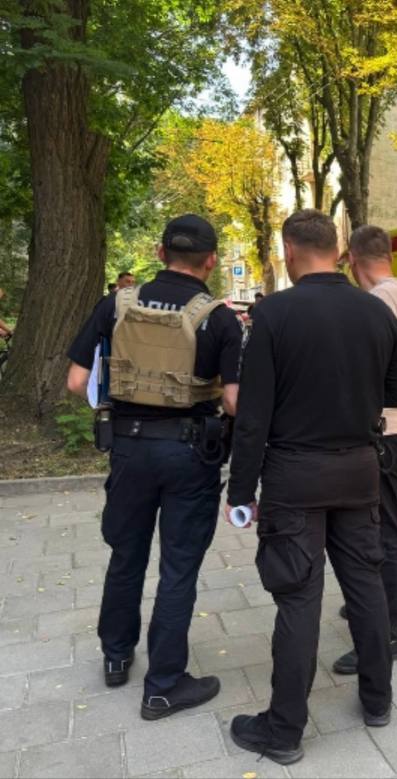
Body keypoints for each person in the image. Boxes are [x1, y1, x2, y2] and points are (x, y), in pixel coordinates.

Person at [225, 209, 397, 765]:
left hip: (295, 476)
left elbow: (253, 415)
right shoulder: (374, 310)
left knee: (298, 597)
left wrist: (240, 491)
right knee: (366, 586)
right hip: (359, 468)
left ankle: (284, 730)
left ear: (289, 251)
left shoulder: (274, 313)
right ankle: (377, 700)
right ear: (339, 251)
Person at [66, 214, 243, 719]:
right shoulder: (220, 319)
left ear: (161, 253)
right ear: (211, 261)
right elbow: (234, 402)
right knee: (178, 568)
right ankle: (164, 685)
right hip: (191, 454)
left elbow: (76, 382)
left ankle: (116, 655)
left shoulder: (117, 305)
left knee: (126, 555)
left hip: (128, 449)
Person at [332, 225, 397, 675]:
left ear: (353, 259)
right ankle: (373, 609)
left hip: (387, 429)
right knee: (382, 525)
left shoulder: (379, 301)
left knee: (381, 533)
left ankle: (387, 632)